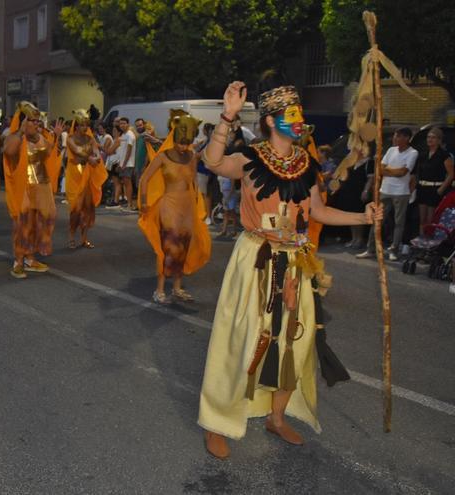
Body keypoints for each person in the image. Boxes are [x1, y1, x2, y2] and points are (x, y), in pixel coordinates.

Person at [197, 82, 381, 460]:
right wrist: (229, 116)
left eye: (300, 114)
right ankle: (217, 421)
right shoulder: (249, 159)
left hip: (296, 262)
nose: (299, 121)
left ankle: (276, 416)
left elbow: (317, 211)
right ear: (270, 120)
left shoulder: (305, 162)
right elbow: (213, 162)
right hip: (256, 259)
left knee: (295, 342)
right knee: (241, 341)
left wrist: (363, 216)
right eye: (291, 115)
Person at [138, 110, 210, 303]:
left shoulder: (192, 155)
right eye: (180, 142)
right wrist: (144, 203)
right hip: (169, 207)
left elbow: (194, 183)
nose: (183, 146)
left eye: (187, 143)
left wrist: (197, 207)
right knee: (168, 247)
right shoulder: (162, 157)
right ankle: (159, 290)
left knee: (184, 246)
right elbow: (144, 180)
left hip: (187, 208)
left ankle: (177, 288)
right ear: (174, 137)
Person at [3, 101, 63, 278]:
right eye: (32, 121)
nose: (37, 124)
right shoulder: (14, 137)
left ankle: (30, 258)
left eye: (38, 121)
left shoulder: (41, 137)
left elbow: (49, 153)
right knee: (23, 225)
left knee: (41, 222)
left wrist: (57, 136)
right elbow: (8, 151)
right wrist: (21, 131)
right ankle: (19, 261)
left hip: (42, 186)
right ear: (22, 122)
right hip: (25, 189)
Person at [355, 128, 417, 260]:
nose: (395, 138)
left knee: (398, 222)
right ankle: (370, 249)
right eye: (395, 136)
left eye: (398, 136)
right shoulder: (390, 150)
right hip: (385, 190)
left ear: (406, 138)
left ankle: (394, 250)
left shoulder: (413, 152)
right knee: (377, 219)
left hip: (401, 192)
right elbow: (380, 169)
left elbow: (403, 172)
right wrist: (391, 171)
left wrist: (388, 170)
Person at [65, 109, 107, 249]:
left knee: (88, 208)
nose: (85, 128)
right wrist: (89, 158)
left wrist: (96, 158)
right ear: (76, 126)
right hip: (75, 175)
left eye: (87, 125)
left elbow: (96, 152)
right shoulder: (70, 138)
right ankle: (71, 235)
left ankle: (84, 238)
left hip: (87, 174)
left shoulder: (90, 139)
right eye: (82, 125)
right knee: (76, 208)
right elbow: (77, 151)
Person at [414, 127, 454, 233]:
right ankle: (421, 242)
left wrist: (441, 189)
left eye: (433, 137)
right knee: (422, 219)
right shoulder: (422, 154)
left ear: (439, 140)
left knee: (430, 219)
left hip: (435, 189)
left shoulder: (444, 155)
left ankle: (430, 243)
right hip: (422, 188)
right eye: (428, 137)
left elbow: (451, 174)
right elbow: (417, 172)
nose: (430, 139)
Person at [113, 117, 137, 210]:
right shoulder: (123, 135)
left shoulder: (130, 135)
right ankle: (129, 204)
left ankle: (130, 205)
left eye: (124, 123)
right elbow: (121, 151)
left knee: (128, 184)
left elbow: (129, 151)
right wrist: (120, 163)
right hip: (123, 163)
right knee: (125, 184)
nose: (122, 125)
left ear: (128, 124)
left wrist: (124, 164)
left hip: (128, 164)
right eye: (121, 123)